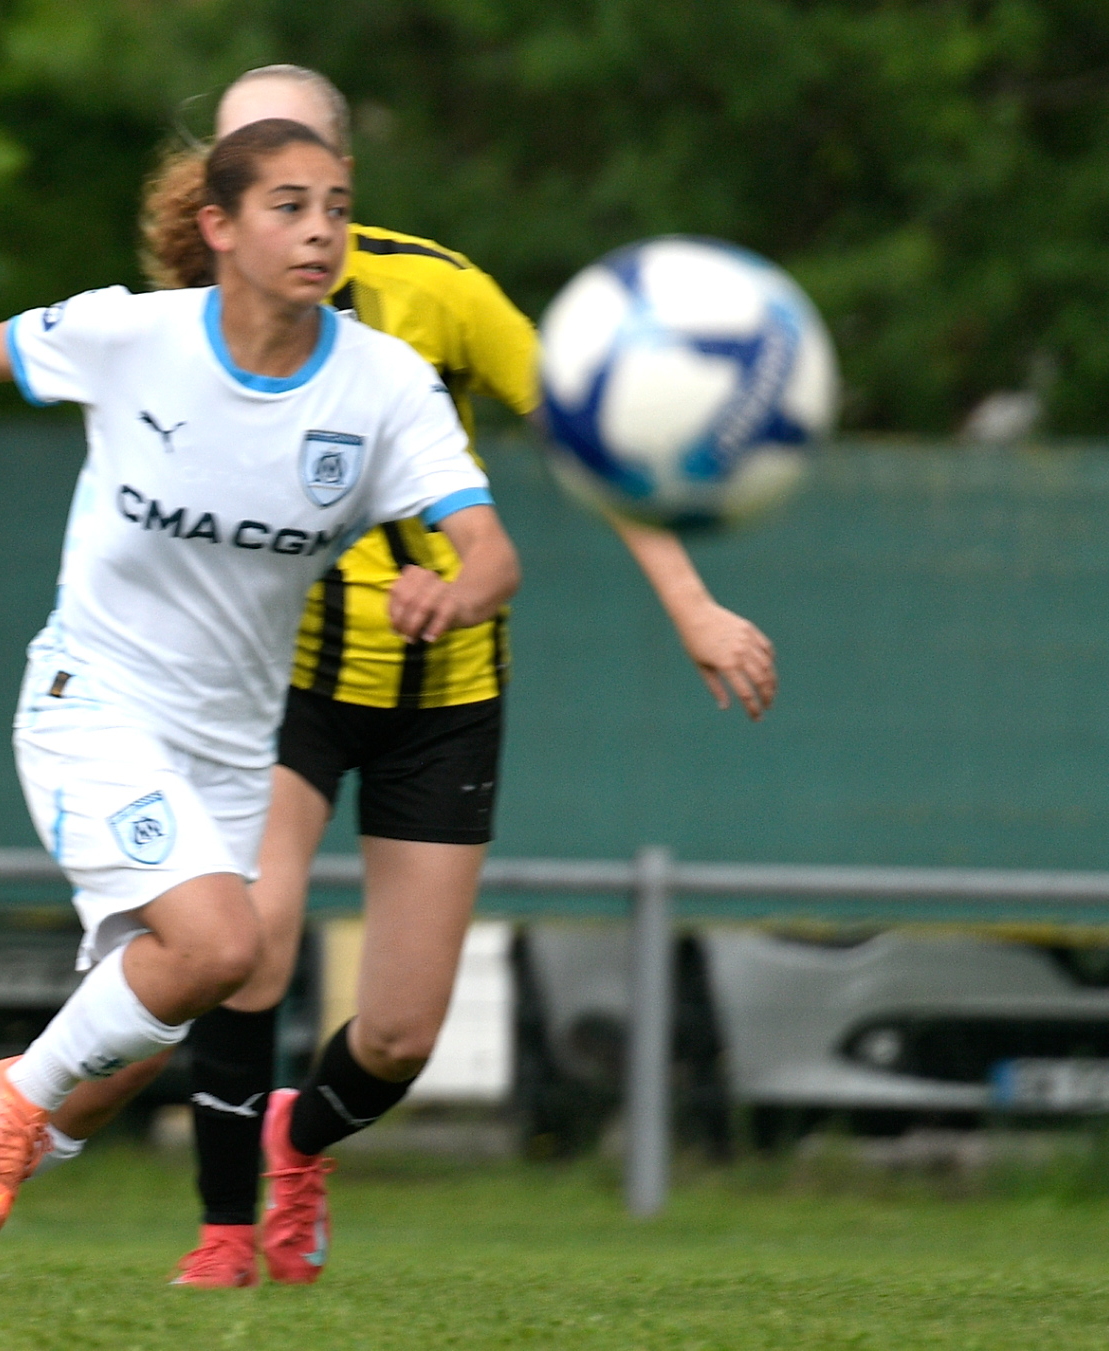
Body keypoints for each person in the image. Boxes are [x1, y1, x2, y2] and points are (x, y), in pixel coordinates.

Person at [39, 65, 780, 1290]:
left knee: (396, 1035)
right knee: (250, 940)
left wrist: (692, 604)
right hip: (283, 687)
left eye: (301, 168)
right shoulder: (185, 316)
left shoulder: (438, 294)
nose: (278, 195)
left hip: (444, 695)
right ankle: (220, 1234)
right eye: (239, 160)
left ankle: (296, 1140)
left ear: (342, 172)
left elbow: (587, 436)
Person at [0, 117, 520, 1286]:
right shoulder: (133, 337)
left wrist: (452, 591)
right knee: (217, 946)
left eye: (334, 207)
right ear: (218, 227)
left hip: (230, 747)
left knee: (133, 1045)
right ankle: (8, 1095)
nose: (319, 230)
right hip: (91, 704)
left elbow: (491, 553)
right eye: (287, 205)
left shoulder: (380, 383)